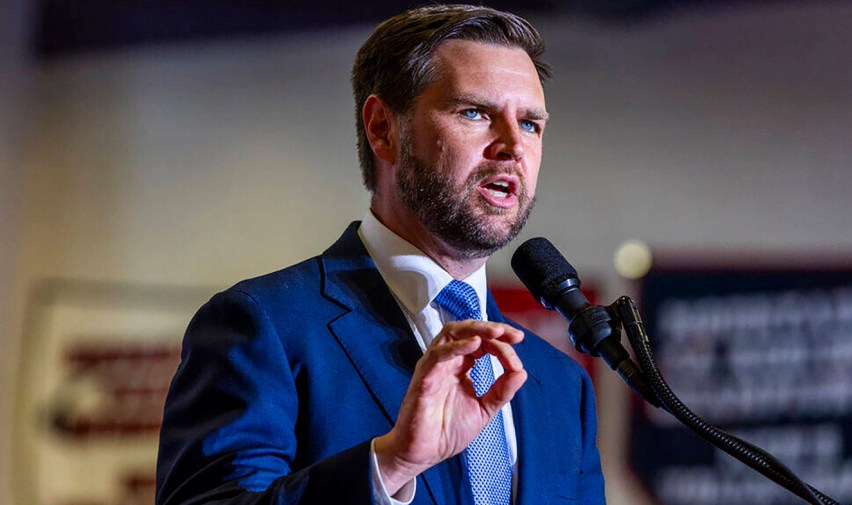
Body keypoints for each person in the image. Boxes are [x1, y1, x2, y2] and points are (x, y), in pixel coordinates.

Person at [155, 4, 606, 504]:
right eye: (474, 113)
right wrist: (389, 466)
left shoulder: (562, 387)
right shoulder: (265, 328)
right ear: (382, 129)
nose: (511, 146)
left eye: (529, 123)